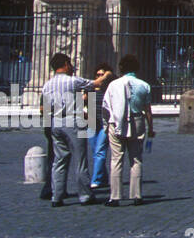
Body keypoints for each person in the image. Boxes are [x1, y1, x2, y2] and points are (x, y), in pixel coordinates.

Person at [40, 52, 111, 207]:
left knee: (59, 161)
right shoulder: (73, 81)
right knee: (80, 160)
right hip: (72, 121)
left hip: (55, 121)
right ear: (66, 65)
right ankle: (85, 195)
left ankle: (56, 196)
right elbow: (96, 83)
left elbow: (44, 108)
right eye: (70, 64)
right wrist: (106, 75)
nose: (72, 67)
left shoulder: (47, 85)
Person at [102, 55, 153, 207]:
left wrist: (106, 125)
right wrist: (151, 128)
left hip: (116, 122)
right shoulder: (144, 85)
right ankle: (137, 195)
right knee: (136, 159)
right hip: (137, 120)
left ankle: (115, 196)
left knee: (116, 159)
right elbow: (148, 110)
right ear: (137, 68)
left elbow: (106, 106)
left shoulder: (113, 85)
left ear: (121, 68)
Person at [88, 62, 115, 194]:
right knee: (95, 151)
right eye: (97, 75)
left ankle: (96, 180)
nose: (99, 77)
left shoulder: (110, 89)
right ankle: (103, 177)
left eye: (102, 75)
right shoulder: (90, 89)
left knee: (100, 151)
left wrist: (108, 76)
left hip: (105, 123)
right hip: (91, 123)